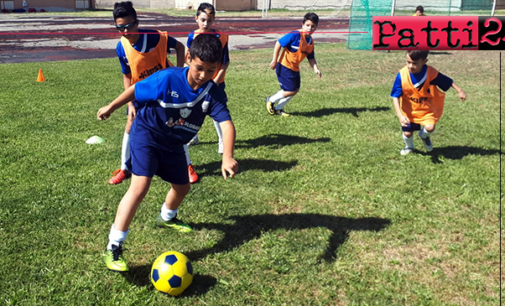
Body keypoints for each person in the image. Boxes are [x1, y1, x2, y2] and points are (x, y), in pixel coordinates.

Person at [97, 34, 238, 272]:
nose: (204, 75)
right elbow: (135, 89)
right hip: (147, 135)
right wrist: (111, 106)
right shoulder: (167, 79)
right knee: (140, 186)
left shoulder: (212, 92)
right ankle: (114, 245)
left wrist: (227, 155)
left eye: (211, 70)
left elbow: (226, 123)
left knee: (182, 188)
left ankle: (167, 217)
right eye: (199, 68)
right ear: (188, 59)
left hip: (173, 144)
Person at [109, 2, 199, 185]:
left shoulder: (155, 37)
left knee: (175, 125)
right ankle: (124, 168)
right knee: (130, 124)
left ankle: (187, 166)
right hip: (140, 92)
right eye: (120, 28)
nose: (126, 32)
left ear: (137, 22)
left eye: (129, 26)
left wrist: (179, 74)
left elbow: (180, 47)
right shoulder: (122, 46)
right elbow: (127, 75)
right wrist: (129, 103)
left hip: (164, 92)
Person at [391, 50, 467, 155]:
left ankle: (424, 136)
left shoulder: (430, 73)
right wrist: (400, 115)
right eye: (408, 62)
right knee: (408, 133)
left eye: (415, 63)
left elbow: (447, 81)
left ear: (424, 61)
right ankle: (409, 147)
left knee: (430, 128)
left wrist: (459, 90)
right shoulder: (402, 75)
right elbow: (395, 96)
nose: (410, 66)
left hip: (427, 109)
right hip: (409, 111)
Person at [186, 2, 230, 154]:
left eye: (209, 20)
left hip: (215, 82)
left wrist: (215, 81)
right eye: (203, 19)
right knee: (191, 108)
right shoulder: (192, 36)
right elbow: (188, 58)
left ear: (214, 20)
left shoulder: (220, 37)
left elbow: (225, 63)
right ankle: (193, 136)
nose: (206, 23)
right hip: (196, 82)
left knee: (215, 112)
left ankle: (222, 140)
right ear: (196, 18)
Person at [264, 12, 322, 117]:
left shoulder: (311, 42)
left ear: (316, 27)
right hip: (284, 66)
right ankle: (270, 100)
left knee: (295, 90)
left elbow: (311, 58)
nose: (310, 28)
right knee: (290, 90)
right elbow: (279, 43)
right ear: (302, 25)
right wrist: (274, 60)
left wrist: (316, 69)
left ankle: (278, 109)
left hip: (295, 68)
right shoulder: (295, 35)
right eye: (307, 25)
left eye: (313, 26)